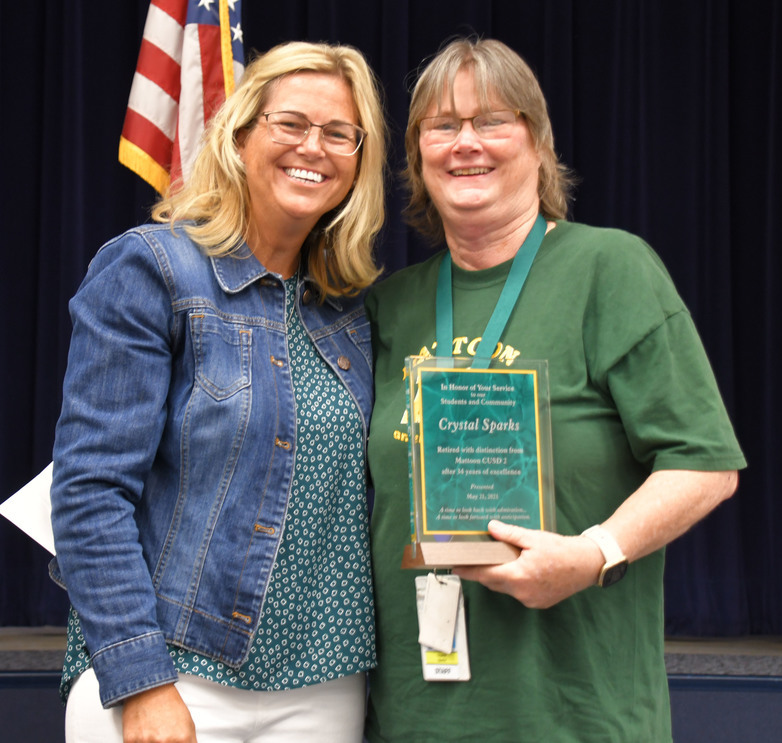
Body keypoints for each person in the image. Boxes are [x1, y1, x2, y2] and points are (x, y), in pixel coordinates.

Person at [364, 38, 745, 742]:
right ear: (416, 156)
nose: (465, 143)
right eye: (441, 127)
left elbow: (705, 464)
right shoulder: (391, 307)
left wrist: (594, 553)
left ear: (538, 144)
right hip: (416, 717)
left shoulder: (611, 268)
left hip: (576, 714)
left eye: (493, 121)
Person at [49, 40, 386, 743]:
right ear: (239, 136)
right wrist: (141, 681)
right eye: (290, 123)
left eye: (338, 133)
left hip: (323, 687)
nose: (313, 147)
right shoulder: (153, 270)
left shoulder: (349, 310)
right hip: (172, 672)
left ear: (359, 160)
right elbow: (89, 493)